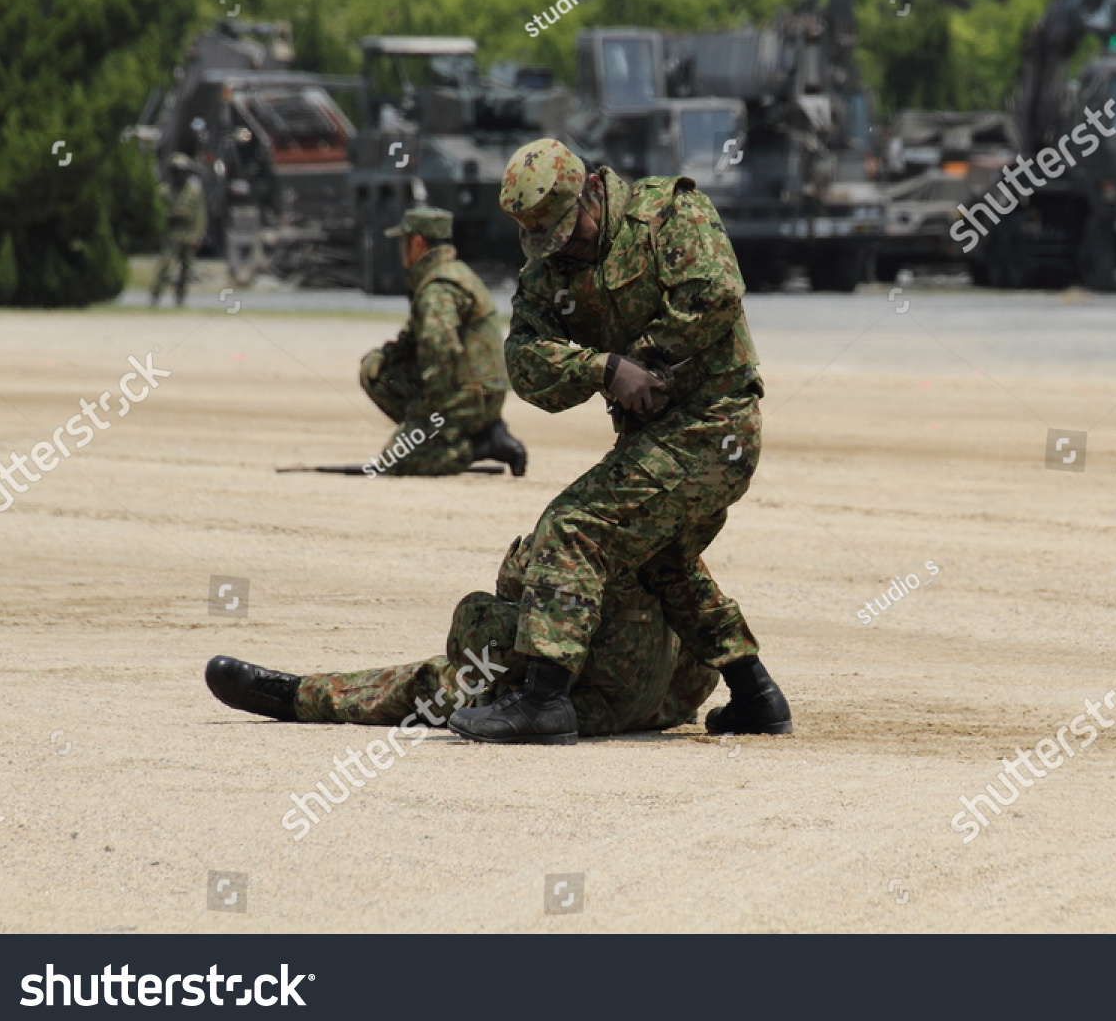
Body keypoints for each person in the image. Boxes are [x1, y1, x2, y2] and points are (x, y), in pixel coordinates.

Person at [444, 138, 791, 746]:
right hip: (657, 438)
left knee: (575, 524)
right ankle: (755, 692)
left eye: (568, 231)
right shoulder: (550, 268)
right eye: (546, 239)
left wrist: (645, 364)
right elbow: (524, 362)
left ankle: (544, 700)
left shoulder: (670, 213)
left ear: (592, 192)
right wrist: (601, 370)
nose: (563, 247)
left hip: (716, 424)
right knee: (660, 560)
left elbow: (713, 293)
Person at [204, 536, 717, 742]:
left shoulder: (575, 532)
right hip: (658, 706)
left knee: (437, 678)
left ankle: (297, 695)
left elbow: (488, 625)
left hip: (582, 705)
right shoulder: (676, 535)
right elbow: (711, 628)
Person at [359, 205, 527, 477]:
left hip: (467, 398)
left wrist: (429, 409)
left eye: (404, 242)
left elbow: (441, 350)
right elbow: (409, 342)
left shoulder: (438, 287)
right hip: (478, 393)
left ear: (417, 243)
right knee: (376, 370)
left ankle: (476, 444)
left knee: (395, 461)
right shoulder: (451, 274)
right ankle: (432, 432)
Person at [149, 153, 207, 308]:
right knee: (164, 266)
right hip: (171, 234)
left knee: (186, 269)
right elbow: (157, 214)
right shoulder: (164, 191)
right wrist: (172, 215)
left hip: (188, 234)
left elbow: (200, 216)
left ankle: (180, 299)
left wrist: (198, 235)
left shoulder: (194, 192)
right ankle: (155, 296)